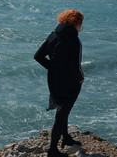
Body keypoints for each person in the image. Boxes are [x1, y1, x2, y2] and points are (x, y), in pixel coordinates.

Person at [34, 9, 84, 157]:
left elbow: (38, 56)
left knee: (63, 110)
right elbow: (75, 66)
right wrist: (81, 78)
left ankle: (66, 138)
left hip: (54, 80)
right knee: (62, 114)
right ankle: (53, 150)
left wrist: (53, 68)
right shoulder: (74, 40)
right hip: (70, 82)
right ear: (77, 24)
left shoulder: (53, 36)